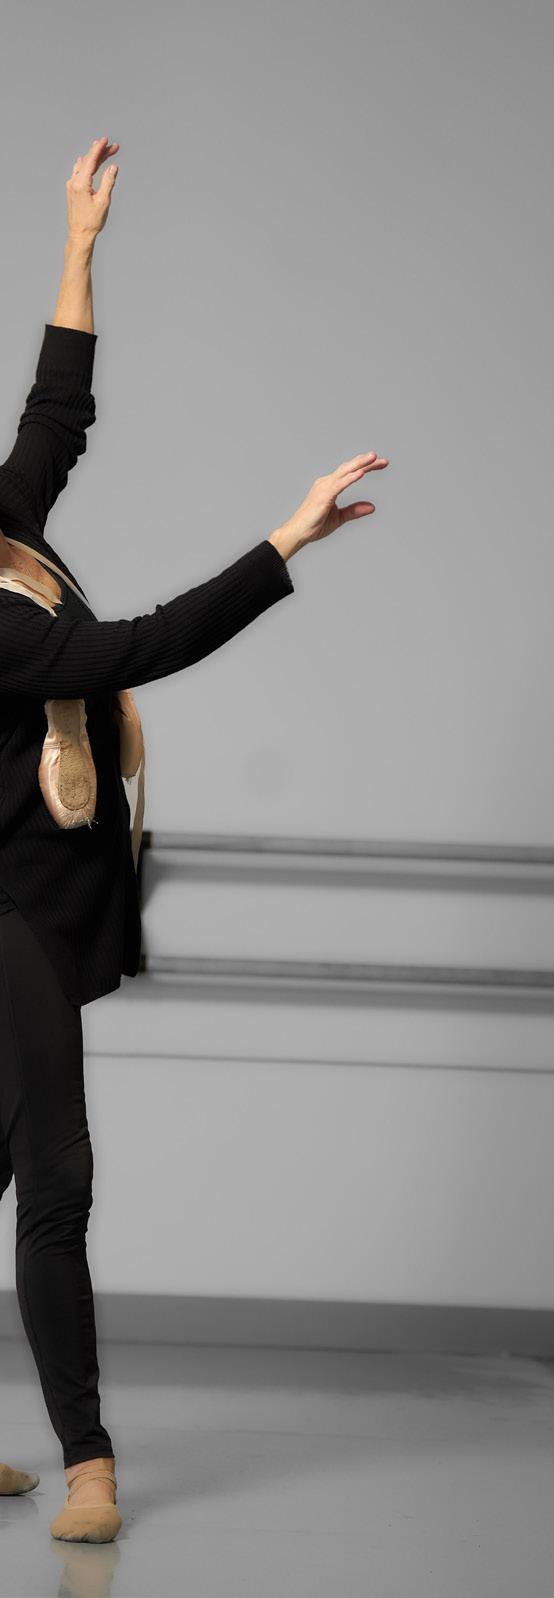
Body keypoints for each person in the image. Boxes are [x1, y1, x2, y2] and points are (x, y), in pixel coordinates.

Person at [0, 136, 389, 1544]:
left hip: (50, 890)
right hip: (9, 909)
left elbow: (56, 412)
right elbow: (137, 646)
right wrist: (287, 542)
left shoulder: (3, 529)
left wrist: (78, 244)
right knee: (58, 1177)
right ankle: (89, 1460)